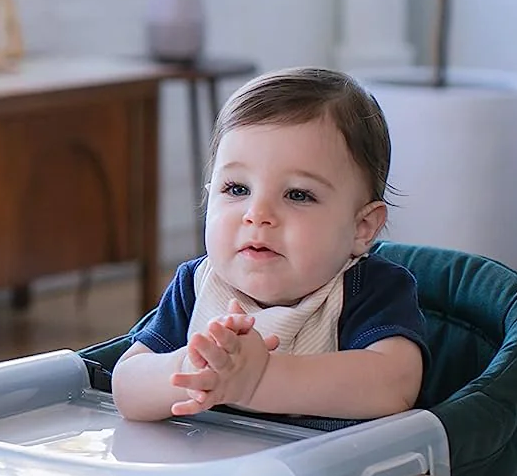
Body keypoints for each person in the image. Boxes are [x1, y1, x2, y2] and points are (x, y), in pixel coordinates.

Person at [112, 67, 427, 422]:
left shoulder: (370, 290)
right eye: (237, 189)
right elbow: (126, 388)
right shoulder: (196, 285)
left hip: (328, 458)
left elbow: (394, 386)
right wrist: (190, 369)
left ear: (361, 227)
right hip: (205, 457)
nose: (257, 214)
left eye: (298, 194)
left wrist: (260, 380)